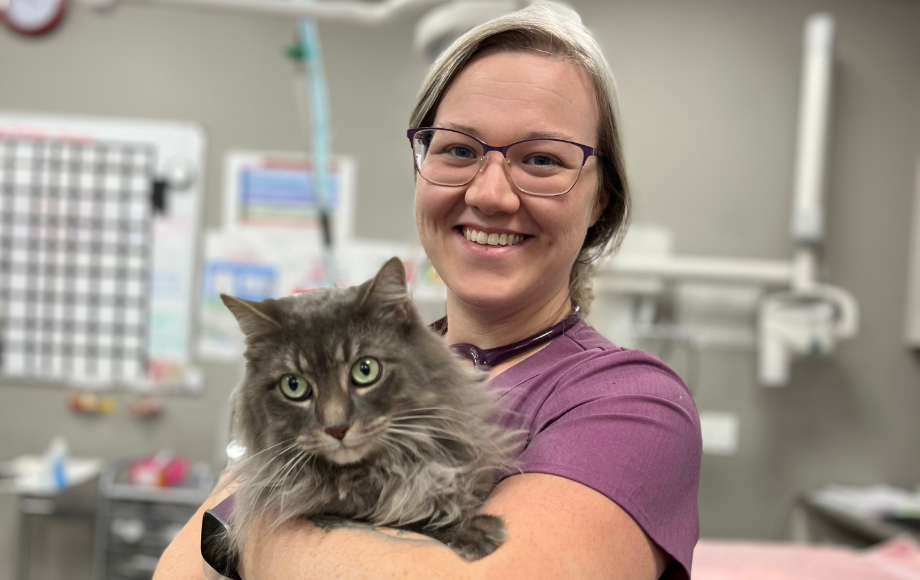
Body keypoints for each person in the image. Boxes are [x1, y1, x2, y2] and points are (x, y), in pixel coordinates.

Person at [154, 3, 701, 579]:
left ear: (601, 200)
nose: (491, 194)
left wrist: (250, 531)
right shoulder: (368, 357)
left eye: (541, 160)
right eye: (459, 150)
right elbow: (176, 572)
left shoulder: (633, 404)